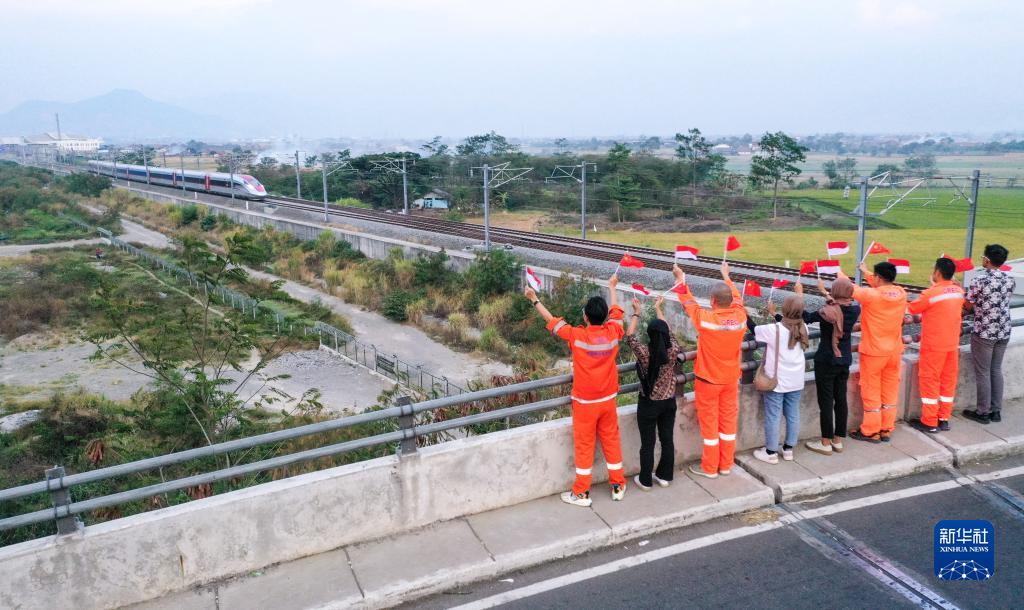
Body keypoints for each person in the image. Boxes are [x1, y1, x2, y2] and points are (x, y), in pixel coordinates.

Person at [525, 273, 627, 507]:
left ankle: (581, 493)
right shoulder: (613, 332)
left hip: (585, 403)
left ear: (585, 317)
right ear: (604, 317)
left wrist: (534, 299)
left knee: (584, 446)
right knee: (611, 441)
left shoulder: (577, 335)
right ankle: (618, 485)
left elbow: (553, 322)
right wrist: (613, 288)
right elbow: (617, 314)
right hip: (608, 399)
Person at [672, 261, 747, 478]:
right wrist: (727, 277)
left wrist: (680, 279)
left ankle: (710, 467)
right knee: (728, 424)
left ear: (713, 301)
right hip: (730, 380)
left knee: (709, 426)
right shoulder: (740, 317)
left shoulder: (706, 320)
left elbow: (688, 302)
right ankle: (726, 465)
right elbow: (738, 299)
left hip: (708, 381)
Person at [839, 262, 907, 443]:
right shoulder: (901, 293)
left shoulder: (871, 295)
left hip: (874, 353)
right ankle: (886, 428)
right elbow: (881, 285)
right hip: (894, 352)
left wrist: (839, 273)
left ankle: (870, 430)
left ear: (878, 278)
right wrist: (866, 271)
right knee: (890, 391)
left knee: (871, 390)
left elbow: (849, 287)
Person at [625, 295, 682, 490]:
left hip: (649, 403)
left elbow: (630, 336)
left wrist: (636, 312)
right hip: (669, 402)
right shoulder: (673, 350)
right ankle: (664, 477)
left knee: (648, 443)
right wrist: (658, 307)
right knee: (667, 439)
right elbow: (668, 329)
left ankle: (645, 480)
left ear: (649, 335)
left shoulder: (645, 353)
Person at [748, 294, 810, 464]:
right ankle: (788, 449)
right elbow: (788, 324)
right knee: (793, 414)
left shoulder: (773, 329)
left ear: (785, 309)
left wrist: (744, 314)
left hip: (776, 382)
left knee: (773, 416)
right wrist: (773, 313)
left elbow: (754, 329)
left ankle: (771, 452)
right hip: (796, 380)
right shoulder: (803, 327)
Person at [801, 278, 860, 455]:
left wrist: (799, 295)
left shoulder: (826, 312)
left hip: (826, 360)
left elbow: (806, 317)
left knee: (826, 402)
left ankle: (825, 442)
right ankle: (837, 440)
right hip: (844, 360)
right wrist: (824, 292)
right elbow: (839, 305)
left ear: (835, 292)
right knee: (841, 399)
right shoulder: (855, 309)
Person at [907, 258, 965, 433]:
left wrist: (932, 287)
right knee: (948, 381)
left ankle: (929, 422)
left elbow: (912, 308)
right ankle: (943, 418)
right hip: (952, 345)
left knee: (930, 381)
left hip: (934, 346)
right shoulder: (958, 291)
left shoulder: (931, 293)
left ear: (937, 272)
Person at [963, 244, 1015, 424]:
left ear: (987, 260)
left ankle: (983, 412)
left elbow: (968, 305)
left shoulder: (979, 280)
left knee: (983, 372)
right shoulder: (1009, 279)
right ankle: (996, 411)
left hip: (984, 332)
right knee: (996, 369)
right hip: (1004, 330)